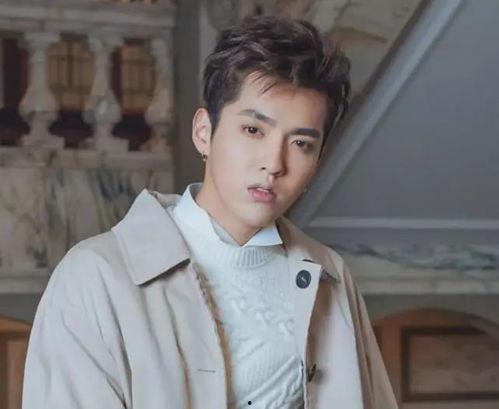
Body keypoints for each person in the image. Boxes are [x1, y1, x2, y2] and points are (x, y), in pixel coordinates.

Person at [22, 16, 398, 409]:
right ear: (204, 132)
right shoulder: (95, 275)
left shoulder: (328, 275)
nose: (274, 163)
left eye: (301, 143)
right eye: (253, 130)